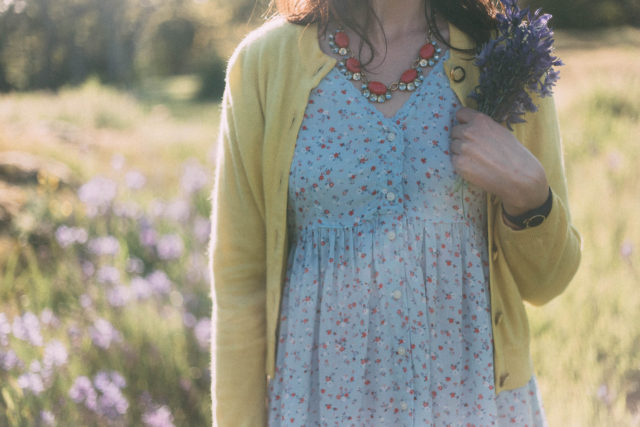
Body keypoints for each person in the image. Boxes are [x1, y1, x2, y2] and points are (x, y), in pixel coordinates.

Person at [210, 0, 582, 425]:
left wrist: (530, 196)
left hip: (471, 403)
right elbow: (240, 285)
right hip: (319, 404)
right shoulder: (263, 64)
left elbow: (548, 282)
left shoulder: (507, 55)